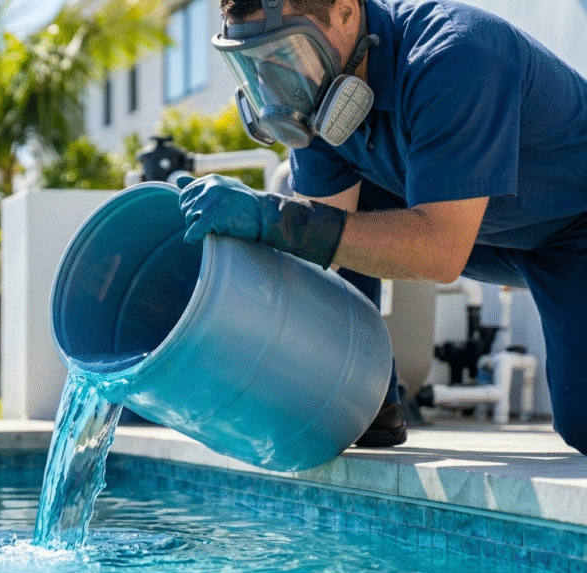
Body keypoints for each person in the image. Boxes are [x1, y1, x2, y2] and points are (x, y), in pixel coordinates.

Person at [179, 0, 587, 454]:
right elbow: (321, 256)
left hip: (574, 229)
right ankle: (367, 403)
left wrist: (271, 218)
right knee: (325, 229)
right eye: (251, 61)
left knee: (582, 420)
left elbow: (439, 252)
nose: (270, 83)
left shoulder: (455, 55)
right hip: (492, 230)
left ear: (346, 13)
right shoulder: (315, 101)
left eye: (284, 52)